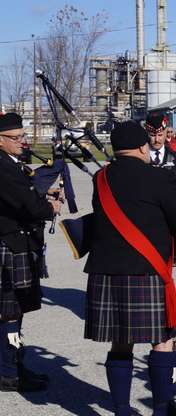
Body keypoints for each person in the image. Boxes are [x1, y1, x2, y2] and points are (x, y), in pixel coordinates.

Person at [84, 120, 176, 415]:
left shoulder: (101, 178)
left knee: (120, 343)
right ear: (142, 147)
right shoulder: (158, 178)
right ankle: (161, 409)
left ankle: (122, 409)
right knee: (162, 340)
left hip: (105, 271)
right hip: (147, 270)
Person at [0, 113, 61, 392]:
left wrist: (44, 197)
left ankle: (14, 365)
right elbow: (27, 205)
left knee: (15, 311)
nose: (23, 142)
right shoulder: (3, 167)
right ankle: (9, 372)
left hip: (18, 242)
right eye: (16, 138)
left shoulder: (14, 164)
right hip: (11, 244)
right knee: (10, 312)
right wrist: (50, 208)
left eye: (23, 136)